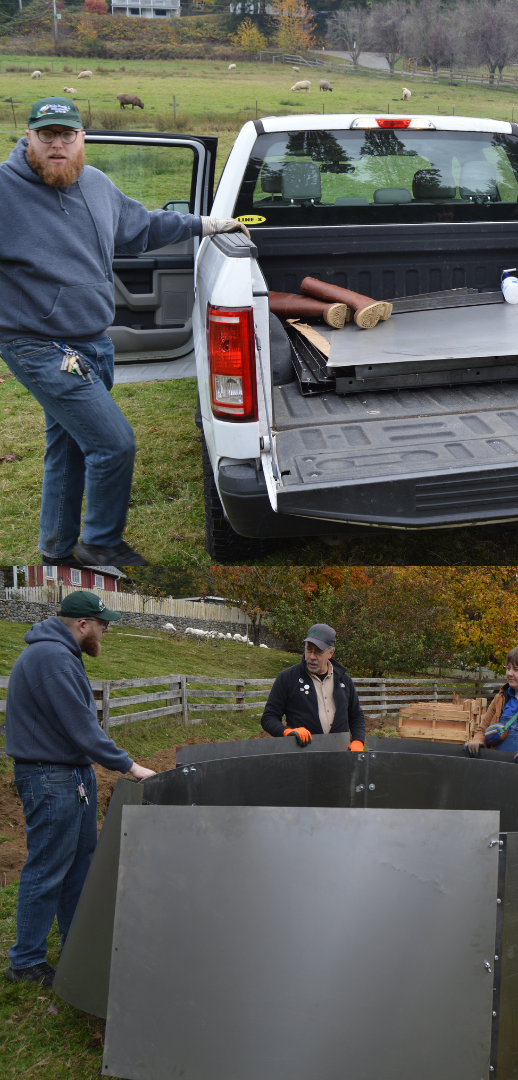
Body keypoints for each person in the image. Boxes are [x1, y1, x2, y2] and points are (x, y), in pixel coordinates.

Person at [1, 97, 253, 567]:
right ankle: (100, 542)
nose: (57, 144)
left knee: (70, 444)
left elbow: (143, 227)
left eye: (66, 135)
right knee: (113, 444)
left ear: (82, 139)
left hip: (93, 342)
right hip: (38, 344)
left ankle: (56, 550)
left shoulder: (95, 184)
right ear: (29, 137)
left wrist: (205, 224)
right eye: (46, 135)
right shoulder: (4, 190)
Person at [5, 591, 156, 987]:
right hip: (50, 776)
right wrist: (132, 767)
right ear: (82, 624)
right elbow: (83, 729)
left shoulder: (60, 655)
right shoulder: (52, 659)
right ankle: (26, 962)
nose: (106, 630)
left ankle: (76, 942)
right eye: (102, 623)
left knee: (78, 865)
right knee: (48, 867)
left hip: (69, 777)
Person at [259, 623, 367, 751]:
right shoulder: (287, 678)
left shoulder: (344, 680)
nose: (311, 657)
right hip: (303, 756)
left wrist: (358, 741)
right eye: (309, 650)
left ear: (331, 652)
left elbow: (356, 715)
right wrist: (287, 731)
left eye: (318, 652)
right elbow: (268, 718)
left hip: (339, 758)